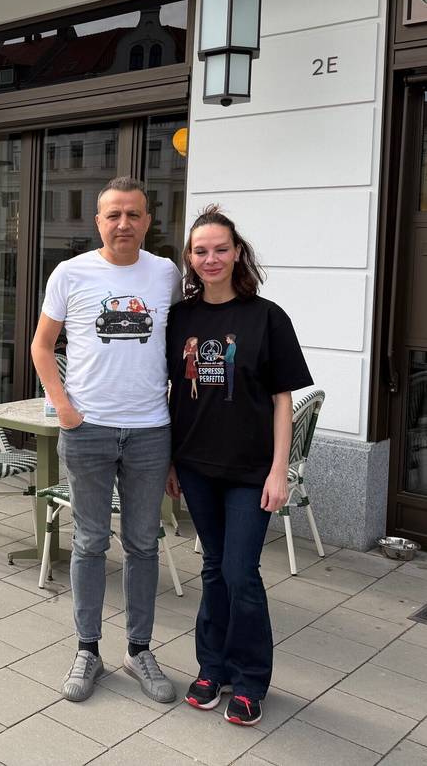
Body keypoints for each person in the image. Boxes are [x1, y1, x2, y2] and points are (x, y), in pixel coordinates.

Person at [31, 176, 182, 704]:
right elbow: (42, 346)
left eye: (134, 214)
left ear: (148, 221)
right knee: (90, 543)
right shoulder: (70, 273)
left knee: (144, 544)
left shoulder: (166, 275)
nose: (124, 224)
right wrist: (66, 409)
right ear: (98, 221)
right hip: (88, 431)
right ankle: (87, 649)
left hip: (149, 432)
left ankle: (139, 649)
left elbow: (178, 351)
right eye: (113, 215)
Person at [165, 205, 313, 727]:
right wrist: (171, 462)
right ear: (189, 258)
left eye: (221, 249)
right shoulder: (179, 317)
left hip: (252, 470)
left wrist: (279, 470)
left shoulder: (266, 316)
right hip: (197, 465)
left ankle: (251, 679)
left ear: (237, 253)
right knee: (211, 568)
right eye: (200, 251)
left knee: (240, 571)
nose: (211, 258)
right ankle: (213, 668)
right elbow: (169, 392)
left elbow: (282, 398)